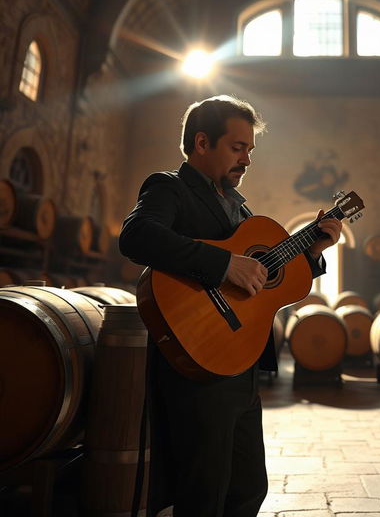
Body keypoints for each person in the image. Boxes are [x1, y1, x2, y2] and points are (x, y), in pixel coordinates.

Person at [119, 95, 342, 517]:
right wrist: (223, 265)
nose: (247, 160)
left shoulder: (240, 208)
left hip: (241, 361)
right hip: (198, 358)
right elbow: (137, 236)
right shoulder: (169, 187)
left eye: (250, 151)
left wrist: (311, 252)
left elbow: (266, 281)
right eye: (238, 148)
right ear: (202, 143)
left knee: (247, 488)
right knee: (203, 492)